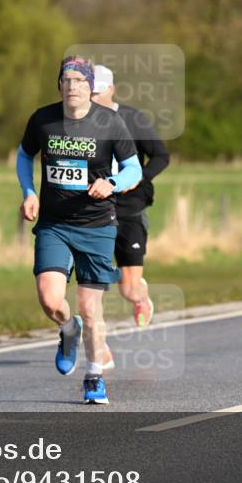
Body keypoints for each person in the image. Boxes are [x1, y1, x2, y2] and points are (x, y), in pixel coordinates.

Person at [16, 56, 142, 404]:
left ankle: (94, 377)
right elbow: (25, 155)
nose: (73, 87)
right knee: (49, 298)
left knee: (90, 306)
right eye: (66, 80)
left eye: (80, 81)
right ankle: (68, 329)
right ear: (59, 85)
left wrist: (112, 184)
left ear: (90, 87)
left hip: (97, 224)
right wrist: (28, 192)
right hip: (54, 224)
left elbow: (134, 169)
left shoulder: (109, 122)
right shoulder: (43, 119)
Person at [91, 65, 170, 326]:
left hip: (128, 205)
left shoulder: (132, 118)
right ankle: (94, 334)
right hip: (95, 205)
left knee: (129, 290)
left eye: (98, 92)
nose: (93, 98)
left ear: (111, 90)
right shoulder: (80, 122)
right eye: (89, 92)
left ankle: (140, 298)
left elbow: (161, 155)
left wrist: (137, 179)